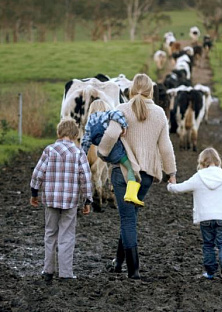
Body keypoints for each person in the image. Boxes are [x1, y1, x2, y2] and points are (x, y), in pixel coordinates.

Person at [97, 73, 177, 279]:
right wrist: (171, 172)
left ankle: (133, 271)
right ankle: (118, 262)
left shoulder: (121, 110)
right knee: (130, 217)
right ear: (151, 91)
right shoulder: (159, 113)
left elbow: (110, 135)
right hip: (147, 176)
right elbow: (165, 146)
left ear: (131, 90)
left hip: (124, 174)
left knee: (127, 220)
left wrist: (102, 153)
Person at [167, 147, 222, 286]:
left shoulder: (198, 176)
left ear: (202, 161)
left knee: (208, 245)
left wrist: (170, 186)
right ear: (217, 161)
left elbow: (180, 188)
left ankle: (210, 272)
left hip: (205, 218)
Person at [30, 118, 93, 283]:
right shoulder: (79, 153)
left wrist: (34, 193)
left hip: (50, 199)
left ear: (59, 133)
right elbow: (86, 178)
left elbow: (38, 173)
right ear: (75, 135)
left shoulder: (49, 150)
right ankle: (65, 273)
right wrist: (88, 200)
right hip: (70, 201)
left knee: (50, 233)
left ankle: (48, 270)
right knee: (67, 235)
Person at [81, 99, 144, 206]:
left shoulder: (90, 121)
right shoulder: (108, 114)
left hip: (103, 154)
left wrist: (82, 155)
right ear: (105, 107)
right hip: (114, 150)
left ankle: (112, 185)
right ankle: (131, 194)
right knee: (130, 167)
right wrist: (124, 127)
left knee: (113, 165)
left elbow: (86, 140)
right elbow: (118, 115)